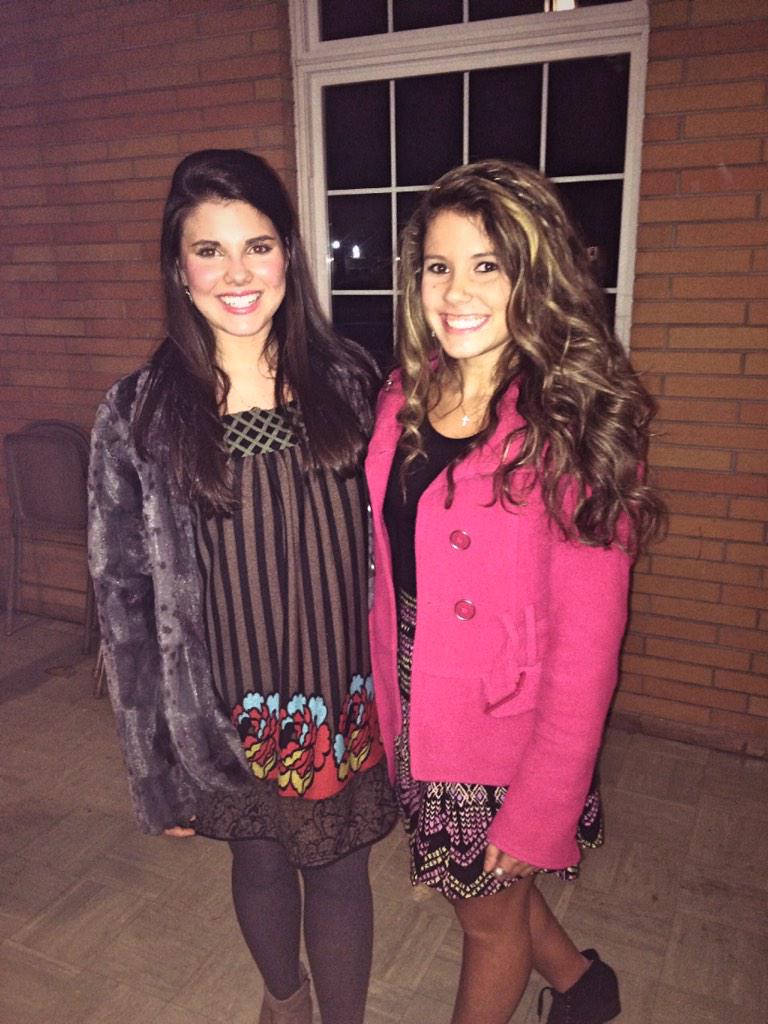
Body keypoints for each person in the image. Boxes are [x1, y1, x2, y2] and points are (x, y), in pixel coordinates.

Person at [88, 149, 398, 1024]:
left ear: (288, 254)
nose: (236, 273)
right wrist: (154, 765)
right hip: (225, 706)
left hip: (341, 693)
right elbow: (124, 602)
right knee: (258, 862)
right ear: (178, 267)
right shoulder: (139, 412)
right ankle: (284, 999)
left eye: (256, 246)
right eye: (209, 250)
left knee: (339, 872)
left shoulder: (353, 381)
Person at [365, 160, 665, 1024]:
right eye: (438, 265)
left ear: (537, 277)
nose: (455, 291)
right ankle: (584, 988)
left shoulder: (573, 422)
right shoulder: (406, 395)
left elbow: (588, 647)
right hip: (414, 690)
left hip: (503, 728)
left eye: (487, 265)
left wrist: (542, 806)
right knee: (487, 888)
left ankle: (578, 989)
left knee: (487, 917)